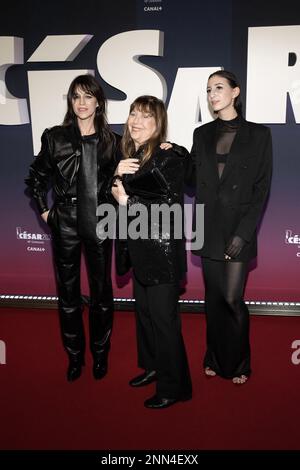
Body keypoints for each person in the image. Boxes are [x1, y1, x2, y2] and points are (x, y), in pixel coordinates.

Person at [25, 74, 120, 382]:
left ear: (99, 102)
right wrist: (44, 211)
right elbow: (36, 177)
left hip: (101, 220)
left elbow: (126, 178)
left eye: (87, 97)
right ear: (71, 101)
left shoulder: (113, 141)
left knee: (101, 292)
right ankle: (75, 356)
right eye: (76, 97)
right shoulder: (55, 137)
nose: (81, 103)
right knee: (67, 293)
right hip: (64, 218)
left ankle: (101, 355)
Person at [186, 70, 272, 384]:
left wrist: (243, 233)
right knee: (213, 299)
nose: (212, 94)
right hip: (209, 226)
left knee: (232, 299)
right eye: (209, 89)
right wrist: (173, 155)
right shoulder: (202, 134)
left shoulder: (260, 135)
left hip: (238, 228)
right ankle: (214, 357)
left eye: (219, 88)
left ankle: (238, 363)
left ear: (235, 92)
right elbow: (191, 180)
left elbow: (261, 189)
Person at [111, 95, 192, 408]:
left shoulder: (166, 158)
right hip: (140, 252)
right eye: (133, 114)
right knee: (144, 317)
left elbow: (164, 208)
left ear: (159, 125)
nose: (136, 122)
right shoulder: (133, 156)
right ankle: (154, 367)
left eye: (145, 117)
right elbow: (114, 196)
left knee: (164, 321)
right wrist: (117, 172)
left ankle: (176, 387)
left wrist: (125, 201)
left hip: (162, 254)